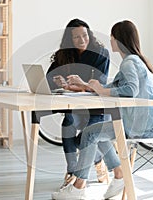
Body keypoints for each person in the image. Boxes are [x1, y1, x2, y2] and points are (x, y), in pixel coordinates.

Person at [52, 20, 153, 200]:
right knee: (95, 132)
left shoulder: (129, 63)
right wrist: (88, 86)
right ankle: (119, 173)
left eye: (113, 37)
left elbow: (130, 90)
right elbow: (113, 87)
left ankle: (77, 188)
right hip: (150, 122)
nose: (111, 40)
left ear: (119, 40)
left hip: (144, 126)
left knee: (90, 134)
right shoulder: (134, 61)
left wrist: (100, 89)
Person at [46, 18, 111, 189]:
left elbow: (100, 83)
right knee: (68, 122)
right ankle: (72, 171)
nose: (82, 40)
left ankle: (97, 161)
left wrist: (83, 84)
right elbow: (48, 77)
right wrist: (57, 81)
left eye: (85, 35)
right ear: (70, 39)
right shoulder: (65, 54)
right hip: (75, 108)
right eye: (76, 37)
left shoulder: (100, 53)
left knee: (87, 137)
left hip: (96, 109)